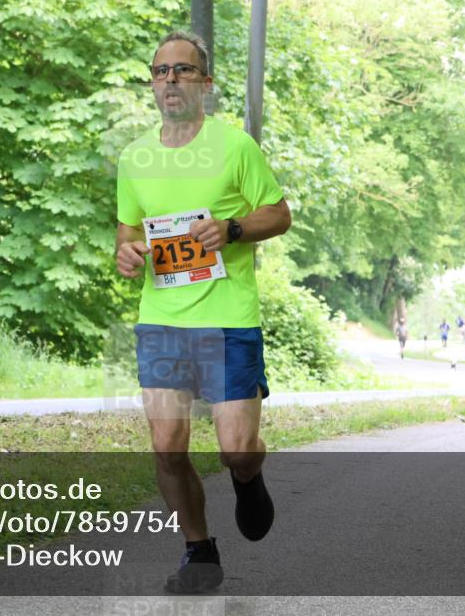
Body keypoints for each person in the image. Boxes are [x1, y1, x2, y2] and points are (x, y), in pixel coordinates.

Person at [115, 30, 291, 593]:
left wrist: (232, 228)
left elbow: (279, 214)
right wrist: (125, 253)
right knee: (167, 447)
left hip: (227, 318)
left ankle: (249, 476)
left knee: (236, 449)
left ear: (205, 84)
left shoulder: (236, 147)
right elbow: (128, 230)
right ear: (152, 81)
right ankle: (199, 551)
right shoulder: (133, 157)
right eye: (161, 70)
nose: (170, 79)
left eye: (183, 70)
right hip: (161, 319)